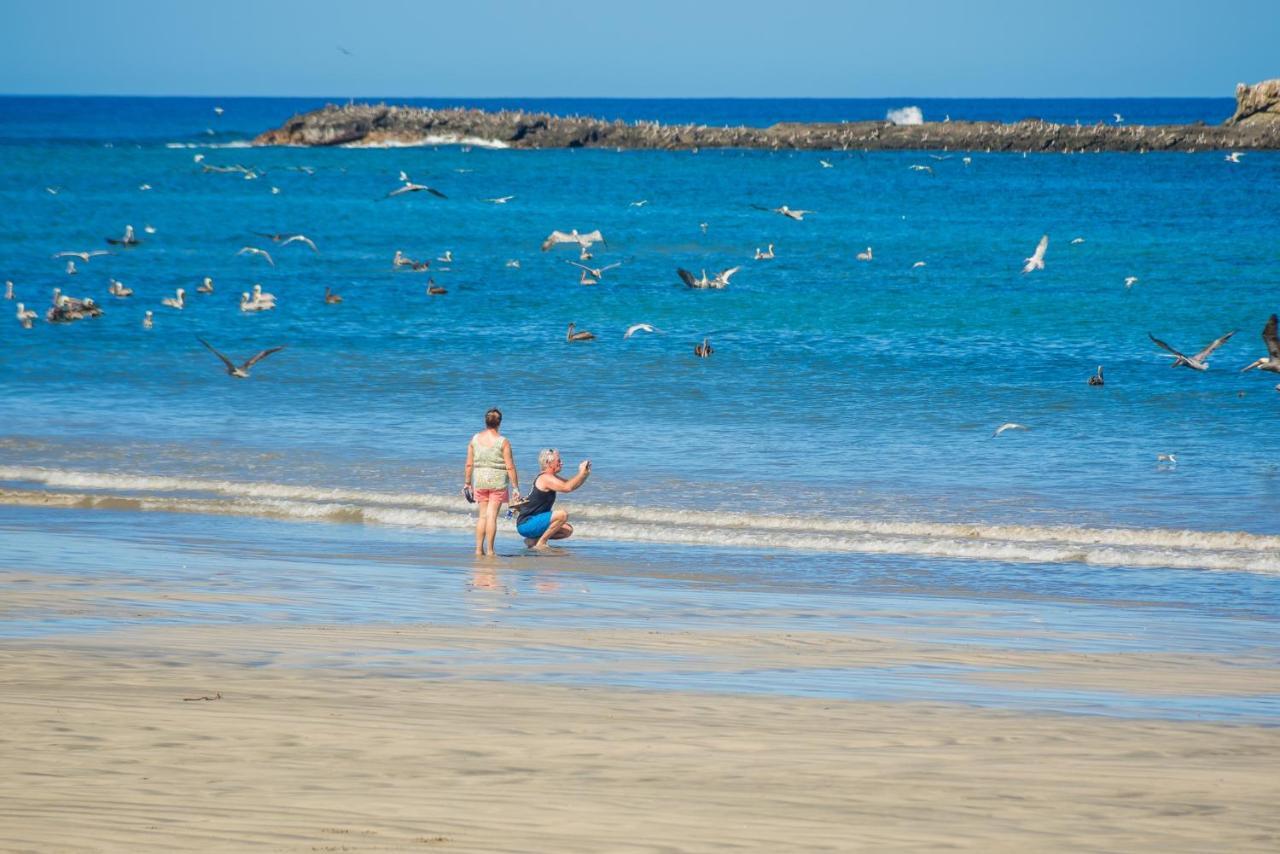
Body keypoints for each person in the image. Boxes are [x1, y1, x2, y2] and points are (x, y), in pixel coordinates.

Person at [463, 408, 520, 557]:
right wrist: (515, 487)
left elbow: (469, 464)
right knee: (492, 516)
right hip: (498, 482)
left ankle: (477, 549)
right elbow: (510, 466)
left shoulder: (475, 439)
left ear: (485, 421)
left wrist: (467, 483)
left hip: (480, 480)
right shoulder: (503, 442)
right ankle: (490, 550)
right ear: (499, 423)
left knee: (482, 516)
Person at [516, 448, 591, 550]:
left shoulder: (551, 477)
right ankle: (541, 543)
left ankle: (533, 541)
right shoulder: (545, 478)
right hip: (526, 523)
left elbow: (571, 485)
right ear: (548, 463)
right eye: (559, 461)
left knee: (567, 530)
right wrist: (581, 473)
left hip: (534, 521)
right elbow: (567, 488)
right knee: (562, 515)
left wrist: (584, 475)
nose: (562, 463)